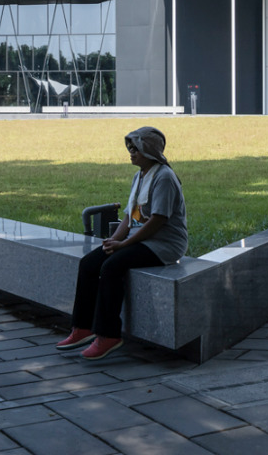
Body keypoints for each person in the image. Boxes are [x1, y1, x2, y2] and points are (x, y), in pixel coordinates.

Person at [58, 126, 189, 361]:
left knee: (111, 266)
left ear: (148, 151)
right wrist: (114, 240)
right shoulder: (139, 177)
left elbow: (158, 221)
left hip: (163, 244)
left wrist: (124, 245)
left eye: (135, 148)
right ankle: (83, 328)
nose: (130, 152)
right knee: (89, 263)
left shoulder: (164, 177)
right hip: (140, 240)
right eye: (130, 147)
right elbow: (130, 217)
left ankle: (109, 335)